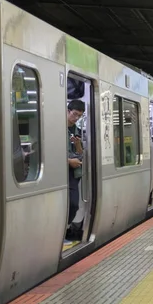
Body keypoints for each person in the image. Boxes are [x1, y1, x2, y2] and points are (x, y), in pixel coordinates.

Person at [66, 99, 85, 244]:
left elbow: (80, 153)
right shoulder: (57, 128)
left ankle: (65, 229)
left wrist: (78, 145)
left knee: (74, 204)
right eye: (75, 114)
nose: (76, 118)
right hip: (60, 172)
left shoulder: (77, 131)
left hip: (73, 174)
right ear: (68, 111)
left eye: (80, 115)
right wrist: (68, 161)